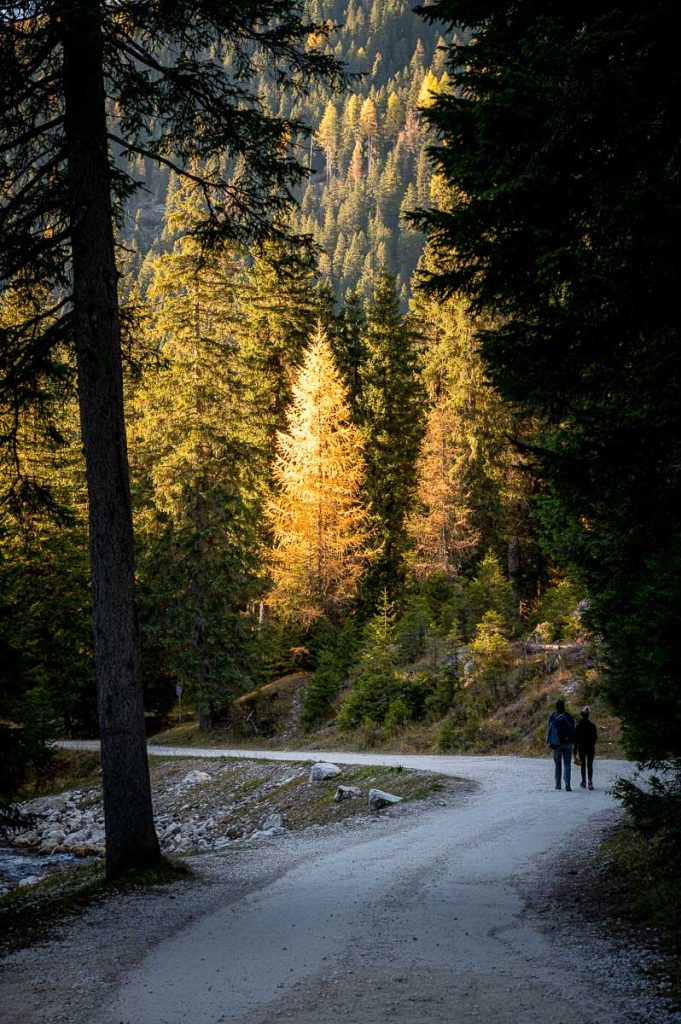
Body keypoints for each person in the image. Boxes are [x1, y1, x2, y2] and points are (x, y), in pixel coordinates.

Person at [546, 698, 576, 791]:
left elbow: (549, 729)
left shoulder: (552, 716)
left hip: (556, 743)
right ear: (564, 707)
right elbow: (573, 729)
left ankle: (558, 784)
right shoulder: (568, 716)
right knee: (567, 764)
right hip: (567, 743)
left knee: (557, 764)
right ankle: (568, 784)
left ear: (556, 707)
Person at [574, 706, 598, 790]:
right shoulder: (593, 726)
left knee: (583, 764)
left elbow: (576, 739)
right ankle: (590, 782)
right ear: (588, 716)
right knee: (590, 764)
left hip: (581, 747)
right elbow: (595, 737)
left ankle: (583, 781)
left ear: (581, 715)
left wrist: (574, 751)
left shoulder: (578, 726)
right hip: (590, 747)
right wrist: (592, 744)